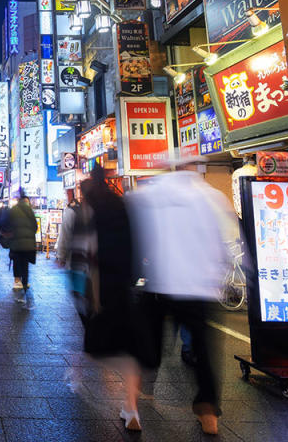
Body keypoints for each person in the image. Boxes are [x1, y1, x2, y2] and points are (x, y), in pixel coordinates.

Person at [126, 163, 232, 436]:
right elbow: (227, 241)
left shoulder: (151, 195)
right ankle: (209, 415)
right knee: (204, 352)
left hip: (159, 283)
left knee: (146, 346)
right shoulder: (210, 196)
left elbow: (135, 236)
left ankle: (132, 408)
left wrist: (135, 276)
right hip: (199, 287)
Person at [77, 165, 147, 432]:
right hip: (124, 283)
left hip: (99, 284)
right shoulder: (122, 205)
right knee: (129, 346)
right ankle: (131, 408)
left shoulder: (90, 209)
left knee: (100, 341)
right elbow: (136, 242)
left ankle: (90, 378)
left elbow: (84, 247)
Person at [7, 191, 37, 292]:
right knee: (25, 262)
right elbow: (35, 226)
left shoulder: (13, 210)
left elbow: (8, 225)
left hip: (16, 242)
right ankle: (25, 281)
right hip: (28, 243)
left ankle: (17, 280)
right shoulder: (29, 210)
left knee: (16, 261)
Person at [56, 186, 83, 267]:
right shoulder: (87, 210)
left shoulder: (69, 212)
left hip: (74, 256)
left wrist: (61, 256)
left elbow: (64, 235)